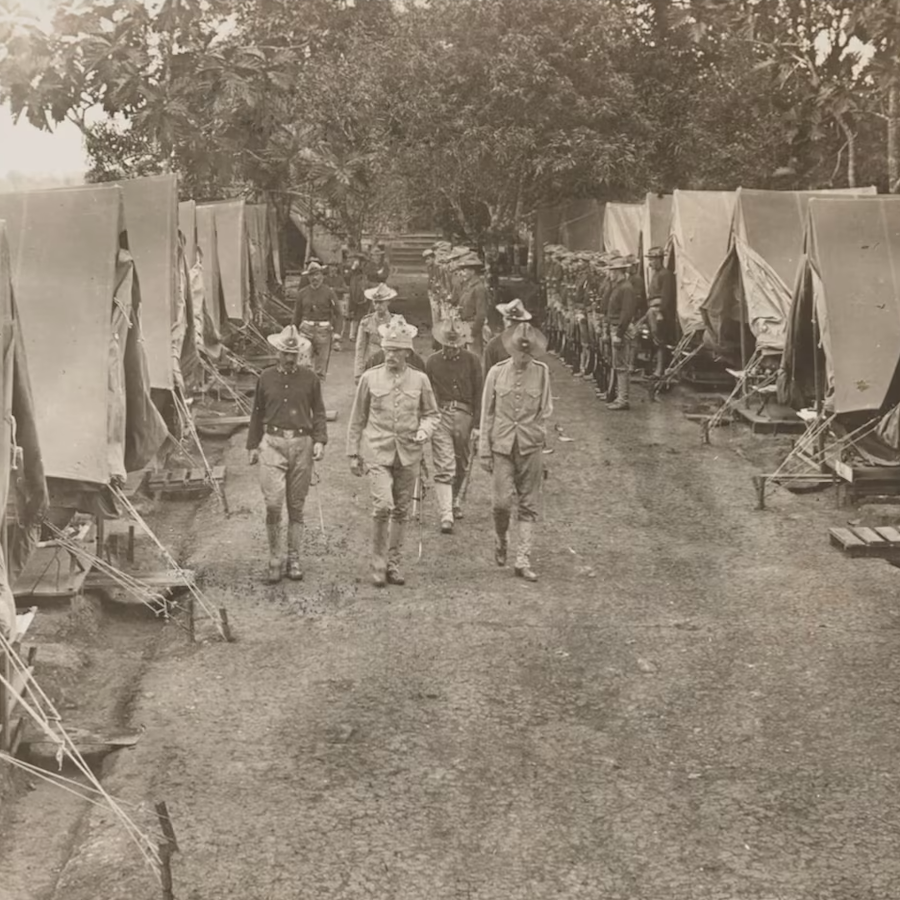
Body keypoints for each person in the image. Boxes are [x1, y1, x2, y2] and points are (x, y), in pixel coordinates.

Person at [347, 318, 440, 587]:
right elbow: (357, 418)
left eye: (396, 351)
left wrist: (425, 430)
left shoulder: (420, 380)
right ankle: (378, 564)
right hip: (377, 451)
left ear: (407, 353)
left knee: (401, 511)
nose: (390, 356)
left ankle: (394, 563)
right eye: (387, 350)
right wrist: (353, 453)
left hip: (409, 453)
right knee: (382, 506)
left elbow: (432, 414)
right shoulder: (369, 378)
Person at [247, 325, 327, 584]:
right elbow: (257, 412)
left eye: (294, 354)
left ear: (300, 354)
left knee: (296, 506)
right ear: (277, 351)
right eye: (285, 353)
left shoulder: (310, 379)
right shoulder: (266, 377)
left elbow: (320, 412)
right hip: (272, 443)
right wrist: (252, 445)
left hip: (302, 444)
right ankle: (274, 557)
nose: (289, 358)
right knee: (273, 504)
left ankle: (293, 558)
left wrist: (319, 441)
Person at [479, 322, 553, 582]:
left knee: (529, 505)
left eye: (528, 352)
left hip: (530, 447)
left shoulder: (542, 373)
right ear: (510, 350)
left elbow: (544, 413)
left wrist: (541, 447)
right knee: (500, 504)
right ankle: (501, 540)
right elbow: (487, 414)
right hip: (502, 446)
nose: (523, 357)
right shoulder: (496, 373)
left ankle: (523, 559)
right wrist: (484, 450)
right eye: (519, 352)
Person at [425, 317, 483, 532]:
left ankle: (455, 500)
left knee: (462, 463)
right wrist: (428, 419)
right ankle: (446, 514)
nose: (450, 349)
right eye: (446, 345)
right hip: (441, 416)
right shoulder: (432, 362)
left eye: (455, 345)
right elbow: (427, 393)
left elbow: (480, 394)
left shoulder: (472, 361)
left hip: (465, 417)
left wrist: (477, 425)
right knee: (444, 465)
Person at [292, 260, 339, 381]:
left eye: (317, 274)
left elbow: (338, 314)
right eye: (312, 275)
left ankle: (316, 393)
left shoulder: (329, 292)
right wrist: (293, 330)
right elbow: (297, 314)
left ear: (322, 276)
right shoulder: (302, 294)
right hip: (306, 329)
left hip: (323, 331)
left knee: (320, 368)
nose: (315, 278)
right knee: (302, 364)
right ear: (308, 277)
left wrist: (337, 333)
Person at [605, 256, 640, 410]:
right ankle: (619, 396)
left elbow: (626, 314)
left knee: (621, 365)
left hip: (620, 329)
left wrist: (619, 334)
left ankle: (623, 399)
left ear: (618, 271)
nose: (610, 274)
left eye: (612, 271)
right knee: (618, 364)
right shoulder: (619, 286)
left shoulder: (625, 288)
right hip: (616, 327)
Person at [643, 246, 677, 379]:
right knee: (653, 340)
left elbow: (666, 296)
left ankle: (659, 371)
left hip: (659, 312)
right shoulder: (656, 274)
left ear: (659, 260)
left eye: (652, 259)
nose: (650, 263)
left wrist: (660, 313)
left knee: (659, 342)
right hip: (652, 310)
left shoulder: (665, 274)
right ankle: (654, 369)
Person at [354, 283, 397, 382]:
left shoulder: (396, 321)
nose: (378, 306)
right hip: (371, 364)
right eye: (375, 302)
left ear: (388, 302)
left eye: (381, 302)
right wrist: (358, 372)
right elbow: (360, 348)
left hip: (391, 363)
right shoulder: (366, 322)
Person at [483, 298, 533, 372]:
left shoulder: (529, 345)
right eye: (508, 319)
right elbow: (488, 379)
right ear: (504, 319)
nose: (510, 324)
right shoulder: (493, 346)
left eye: (515, 322)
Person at [458, 253, 490, 355]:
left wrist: (474, 331)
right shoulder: (468, 286)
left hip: (473, 327)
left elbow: (481, 314)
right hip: (465, 325)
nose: (462, 273)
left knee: (474, 356)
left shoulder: (478, 288)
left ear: (472, 271)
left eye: (464, 270)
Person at [346, 250, 369, 343]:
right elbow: (347, 278)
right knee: (354, 314)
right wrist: (353, 268)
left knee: (364, 314)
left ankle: (363, 333)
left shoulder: (365, 270)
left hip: (363, 293)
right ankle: (352, 334)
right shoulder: (351, 271)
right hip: (354, 292)